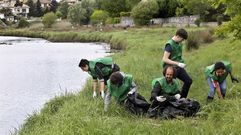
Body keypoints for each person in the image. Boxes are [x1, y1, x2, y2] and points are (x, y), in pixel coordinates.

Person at [162, 28, 192, 98]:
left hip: (178, 67)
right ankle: (170, 100)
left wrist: (181, 63)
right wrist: (177, 63)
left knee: (188, 81)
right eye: (182, 39)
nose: (183, 41)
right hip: (170, 68)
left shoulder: (179, 43)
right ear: (178, 36)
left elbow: (177, 56)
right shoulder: (169, 45)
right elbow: (165, 59)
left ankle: (182, 99)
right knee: (173, 87)